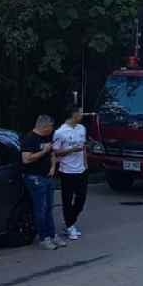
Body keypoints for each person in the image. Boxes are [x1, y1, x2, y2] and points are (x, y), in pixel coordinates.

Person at [21, 115, 65, 250]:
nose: (52, 129)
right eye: (51, 127)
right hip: (35, 178)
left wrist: (52, 167)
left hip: (48, 177)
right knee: (41, 208)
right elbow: (26, 159)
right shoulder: (29, 139)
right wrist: (43, 151)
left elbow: (52, 154)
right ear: (45, 126)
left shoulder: (47, 137)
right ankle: (43, 237)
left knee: (49, 208)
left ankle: (52, 235)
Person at [52, 106, 89, 240]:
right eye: (80, 112)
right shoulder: (60, 132)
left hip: (81, 170)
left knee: (81, 199)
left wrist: (85, 163)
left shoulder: (81, 128)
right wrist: (71, 150)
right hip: (67, 170)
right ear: (74, 114)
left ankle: (70, 221)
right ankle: (69, 226)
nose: (82, 115)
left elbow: (83, 147)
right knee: (67, 200)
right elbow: (56, 152)